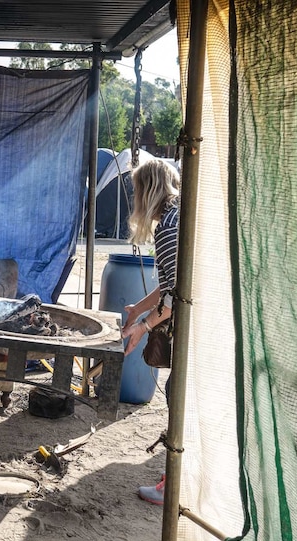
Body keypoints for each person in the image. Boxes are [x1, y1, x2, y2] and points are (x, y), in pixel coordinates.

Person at [119, 159, 181, 504]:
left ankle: (173, 487)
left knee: (180, 396)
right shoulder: (174, 218)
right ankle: (174, 481)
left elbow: (176, 295)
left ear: (148, 189)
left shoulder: (171, 226)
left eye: (136, 190)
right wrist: (138, 309)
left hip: (196, 327)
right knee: (178, 392)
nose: (135, 198)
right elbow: (170, 284)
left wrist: (144, 326)